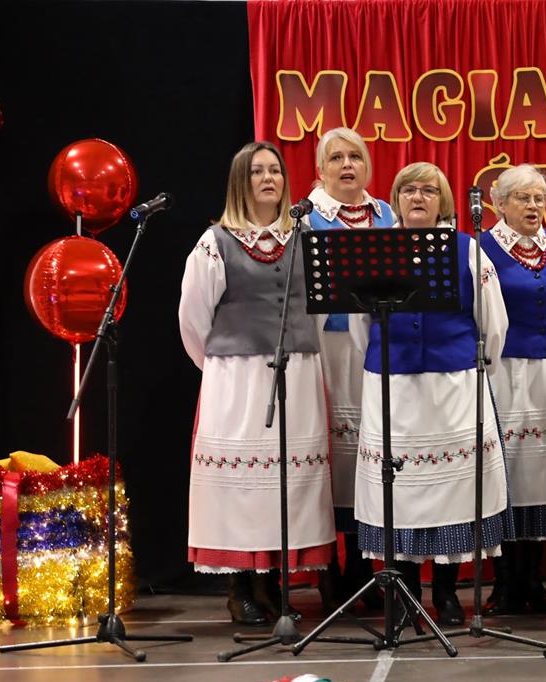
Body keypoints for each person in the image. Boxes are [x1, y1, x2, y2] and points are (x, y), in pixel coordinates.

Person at [179, 141, 335, 624]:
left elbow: (319, 310)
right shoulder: (216, 242)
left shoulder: (305, 236)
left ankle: (273, 585)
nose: (269, 179)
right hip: (238, 376)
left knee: (286, 481)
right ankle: (240, 587)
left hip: (297, 371)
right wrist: (221, 365)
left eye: (275, 171)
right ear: (240, 182)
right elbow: (193, 317)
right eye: (257, 171)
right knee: (242, 484)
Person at [350, 162, 511, 627]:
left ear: (443, 201)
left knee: (453, 492)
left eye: (428, 190)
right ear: (396, 199)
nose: (417, 197)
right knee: (397, 490)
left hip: (453, 384)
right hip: (394, 386)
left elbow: (493, 322)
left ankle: (446, 593)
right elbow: (362, 324)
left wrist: (472, 366)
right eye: (408, 190)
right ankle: (405, 593)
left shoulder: (467, 250)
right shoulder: (374, 250)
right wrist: (385, 358)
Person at [480, 164, 546, 615]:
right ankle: (504, 583)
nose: (533, 206)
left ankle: (533, 579)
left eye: (539, 198)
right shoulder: (481, 249)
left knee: (544, 477)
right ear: (499, 204)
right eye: (523, 197)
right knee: (508, 474)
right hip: (505, 372)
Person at [306, 127, 395, 611]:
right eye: (336, 158)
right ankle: (329, 568)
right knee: (330, 458)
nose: (346, 165)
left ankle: (363, 564)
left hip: (376, 350)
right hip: (327, 348)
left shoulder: (386, 215)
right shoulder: (308, 218)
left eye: (355, 157)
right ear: (320, 169)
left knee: (370, 453)